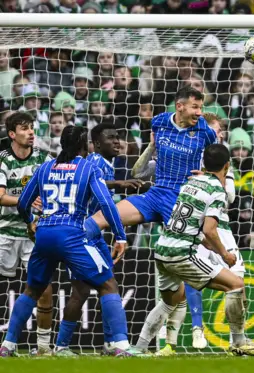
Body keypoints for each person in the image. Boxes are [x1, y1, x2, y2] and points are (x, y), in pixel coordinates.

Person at [83, 86, 218, 349]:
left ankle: (195, 326)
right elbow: (143, 163)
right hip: (156, 192)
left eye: (200, 108)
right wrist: (151, 146)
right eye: (194, 107)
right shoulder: (158, 122)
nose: (198, 113)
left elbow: (217, 163)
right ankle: (79, 255)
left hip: (181, 201)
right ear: (179, 106)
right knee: (102, 217)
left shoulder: (205, 131)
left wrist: (206, 176)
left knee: (187, 265)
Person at [0, 126, 143, 357]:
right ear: (83, 145)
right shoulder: (88, 167)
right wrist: (120, 235)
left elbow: (23, 203)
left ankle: (7, 346)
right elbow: (106, 204)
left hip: (45, 233)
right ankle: (121, 346)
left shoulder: (46, 167)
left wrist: (30, 223)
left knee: (32, 290)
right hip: (73, 234)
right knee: (108, 285)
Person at [134, 144, 254, 356]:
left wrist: (209, 247)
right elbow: (210, 230)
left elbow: (195, 227)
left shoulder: (192, 181)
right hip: (181, 253)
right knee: (235, 285)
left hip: (162, 248)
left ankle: (139, 348)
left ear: (204, 164)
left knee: (169, 302)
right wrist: (225, 254)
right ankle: (239, 342)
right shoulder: (217, 190)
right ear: (227, 166)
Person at [131, 112, 236, 350]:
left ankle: (147, 346)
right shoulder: (178, 161)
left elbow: (229, 195)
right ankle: (183, 338)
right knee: (232, 284)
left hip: (190, 236)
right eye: (215, 132)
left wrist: (211, 179)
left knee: (172, 298)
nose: (218, 136)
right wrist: (152, 145)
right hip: (188, 237)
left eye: (220, 132)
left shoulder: (217, 164)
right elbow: (138, 173)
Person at [56, 123, 144, 356]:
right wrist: (118, 185)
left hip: (93, 235)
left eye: (118, 137)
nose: (117, 142)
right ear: (95, 145)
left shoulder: (106, 164)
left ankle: (109, 344)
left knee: (95, 288)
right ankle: (66, 345)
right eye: (111, 138)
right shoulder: (94, 162)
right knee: (90, 289)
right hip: (80, 234)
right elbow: (89, 186)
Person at [0, 112, 53, 356]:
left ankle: (43, 347)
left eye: (32, 127)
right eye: (24, 128)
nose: (31, 132)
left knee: (44, 290)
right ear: (12, 134)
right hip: (5, 233)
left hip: (34, 234)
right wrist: (28, 200)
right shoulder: (3, 160)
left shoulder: (44, 159)